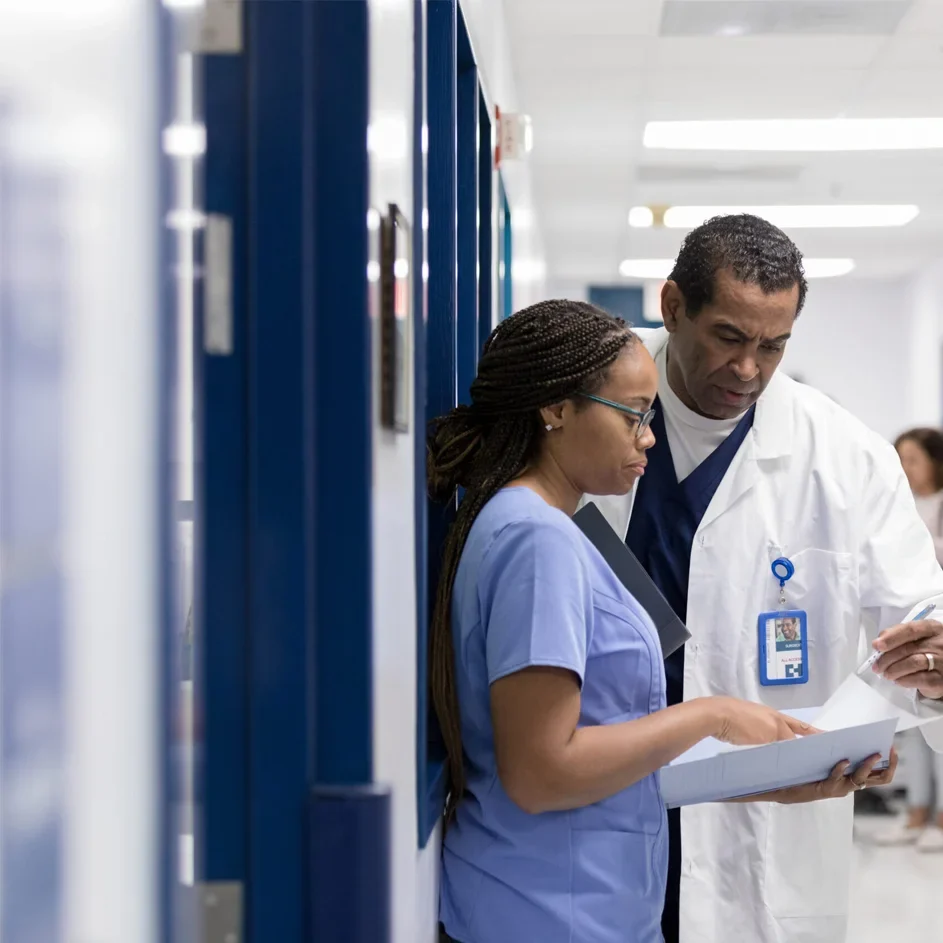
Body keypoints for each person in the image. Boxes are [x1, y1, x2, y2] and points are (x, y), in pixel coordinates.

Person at [583, 214, 943, 943]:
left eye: (772, 346)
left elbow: (917, 612)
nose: (748, 368)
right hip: (599, 798)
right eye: (728, 336)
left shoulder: (847, 457)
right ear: (672, 305)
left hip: (763, 828)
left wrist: (932, 662)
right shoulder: (583, 415)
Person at [428, 301, 822, 943]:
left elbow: (598, 747)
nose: (648, 437)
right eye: (636, 415)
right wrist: (712, 714)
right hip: (549, 911)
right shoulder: (537, 540)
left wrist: (759, 779)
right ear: (555, 408)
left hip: (578, 902)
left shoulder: (554, 527)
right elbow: (540, 771)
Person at [874, 428, 943, 852]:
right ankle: (916, 812)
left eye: (913, 460)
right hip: (911, 624)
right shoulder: (895, 507)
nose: (904, 469)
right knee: (915, 725)